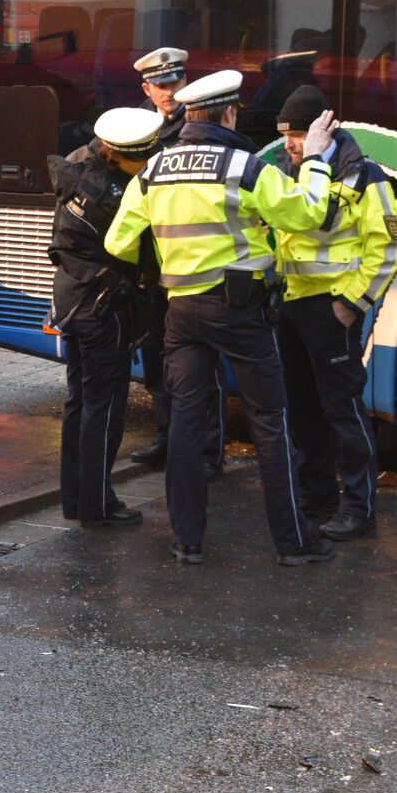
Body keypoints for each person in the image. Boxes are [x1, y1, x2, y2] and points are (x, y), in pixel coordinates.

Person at [105, 70, 337, 567]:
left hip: (180, 313)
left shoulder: (155, 169)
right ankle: (294, 542)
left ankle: (187, 539)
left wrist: (168, 259)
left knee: (186, 424)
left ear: (191, 115)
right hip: (239, 311)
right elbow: (309, 215)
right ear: (230, 114)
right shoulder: (246, 167)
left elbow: (118, 242)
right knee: (269, 421)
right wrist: (316, 158)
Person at [272, 85, 397, 541]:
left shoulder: (365, 176)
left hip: (332, 310)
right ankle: (317, 500)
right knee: (302, 411)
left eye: (297, 135)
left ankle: (358, 509)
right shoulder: (285, 171)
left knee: (343, 411)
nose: (290, 144)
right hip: (291, 306)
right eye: (285, 135)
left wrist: (351, 304)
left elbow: (388, 246)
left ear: (324, 131)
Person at [51, 107, 162, 528]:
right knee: (105, 408)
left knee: (80, 402)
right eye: (142, 158)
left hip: (74, 296)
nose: (148, 165)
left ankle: (76, 500)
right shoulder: (111, 195)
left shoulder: (78, 164)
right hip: (103, 305)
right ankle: (98, 506)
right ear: (116, 154)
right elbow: (136, 251)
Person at [129, 46, 227, 472]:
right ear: (146, 88)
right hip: (152, 264)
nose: (170, 92)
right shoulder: (135, 127)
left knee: (200, 367)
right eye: (161, 85)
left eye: (176, 83)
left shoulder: (199, 126)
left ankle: (208, 453)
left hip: (191, 264)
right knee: (157, 361)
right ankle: (167, 439)